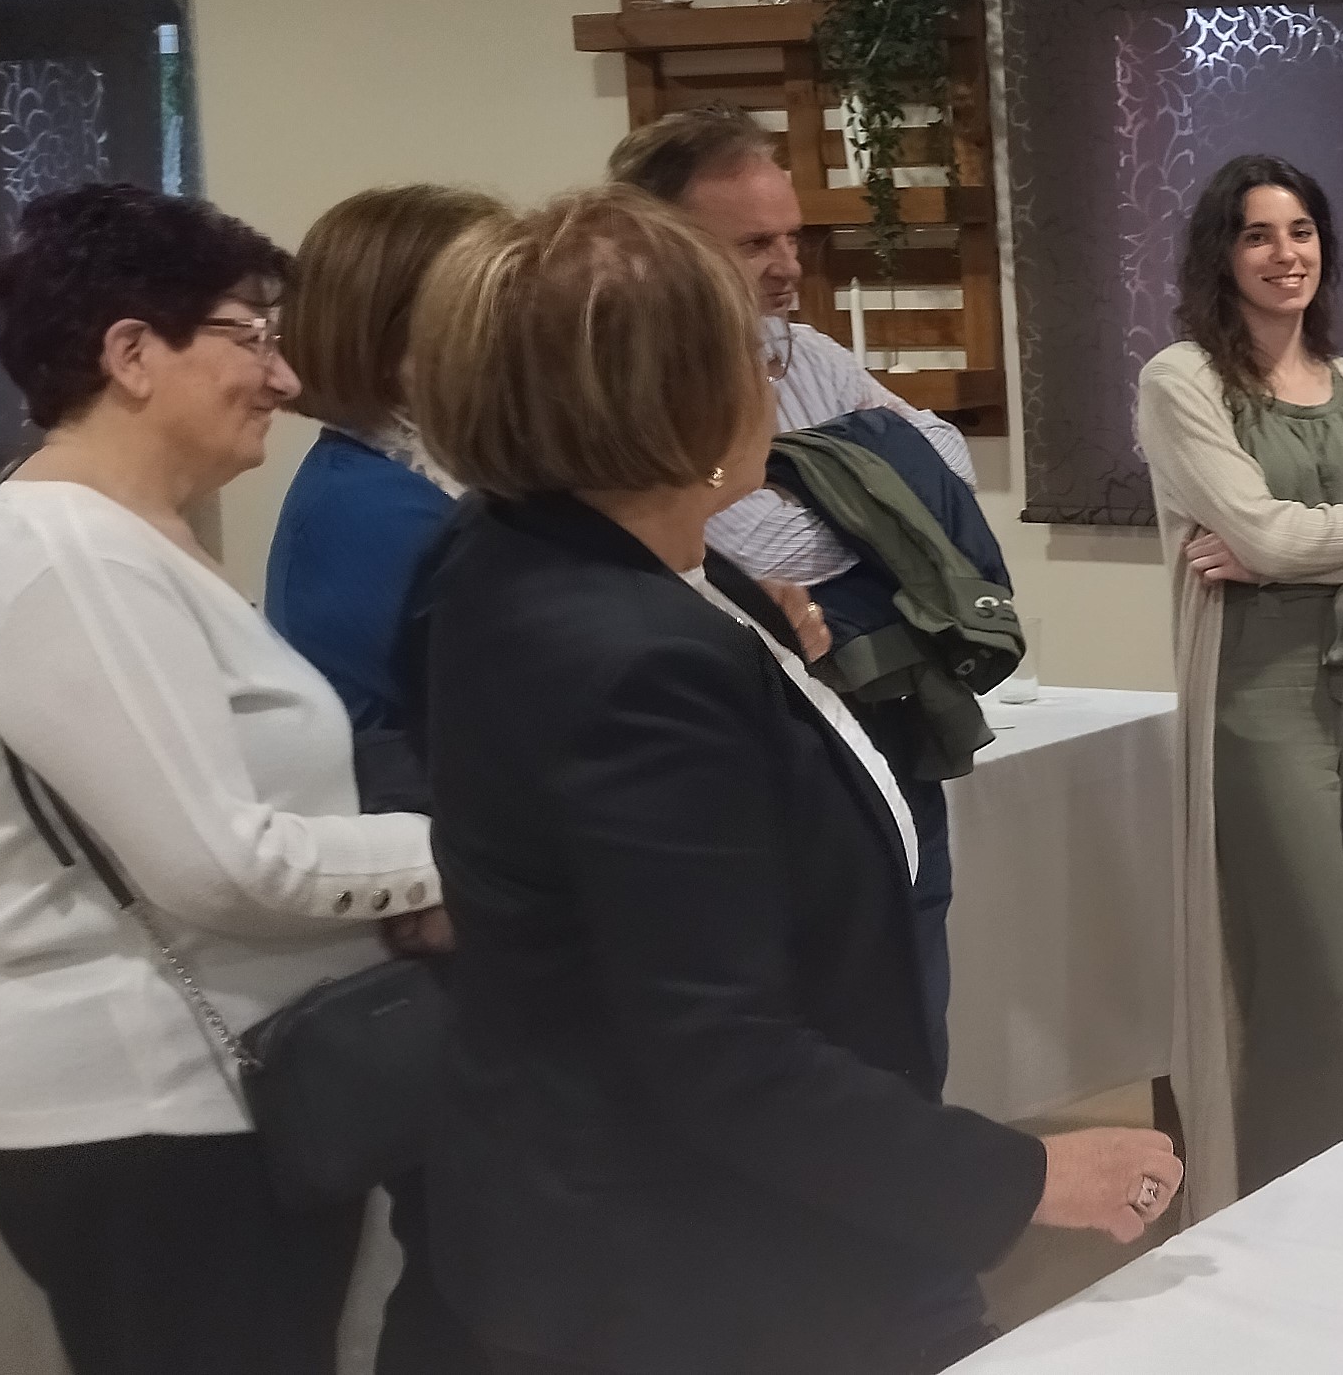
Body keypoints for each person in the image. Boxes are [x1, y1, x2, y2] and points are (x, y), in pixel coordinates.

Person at [394, 187, 1177, 1375]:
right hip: (693, 1260)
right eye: (751, 355)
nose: (774, 379)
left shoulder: (526, 556)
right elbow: (719, 1047)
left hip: (641, 1211)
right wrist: (1025, 1175)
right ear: (680, 394)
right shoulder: (635, 655)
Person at [0, 183, 445, 1375]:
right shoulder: (65, 555)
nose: (284, 377)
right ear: (132, 353)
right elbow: (218, 862)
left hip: (217, 1098)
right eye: (251, 335)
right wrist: (462, 858)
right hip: (144, 1107)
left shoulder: (130, 538)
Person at [610, 106, 968, 1055]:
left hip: (890, 718)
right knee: (811, 1036)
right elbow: (744, 543)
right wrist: (874, 499)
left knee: (912, 1021)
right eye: (754, 244)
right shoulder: (630, 398)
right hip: (762, 754)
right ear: (664, 250)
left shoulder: (809, 355)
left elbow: (949, 462)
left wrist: (815, 484)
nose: (786, 265)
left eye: (792, 238)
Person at [1134, 155, 1343, 1207]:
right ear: (1221, 254)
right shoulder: (1183, 381)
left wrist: (1299, 551)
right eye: (1258, 234)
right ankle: (1274, 1202)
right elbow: (1302, 531)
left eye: (1302, 230)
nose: (1286, 254)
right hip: (1260, 694)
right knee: (1320, 971)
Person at [257, 181, 503, 1374]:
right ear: (400, 328)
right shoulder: (375, 508)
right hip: (438, 900)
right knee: (474, 1258)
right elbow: (398, 735)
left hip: (451, 875)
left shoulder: (415, 477)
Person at [265, 184, 503, 728]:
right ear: (384, 342)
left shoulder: (412, 472)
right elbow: (531, 705)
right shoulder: (369, 510)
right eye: (483, 311)